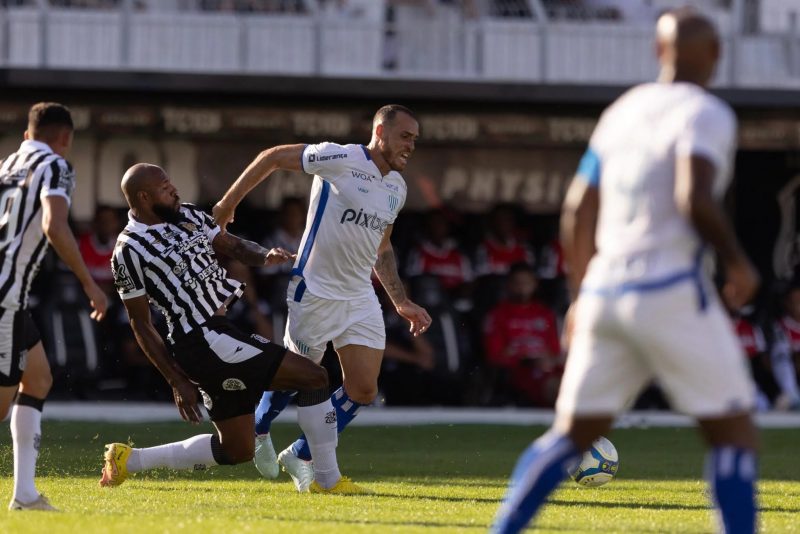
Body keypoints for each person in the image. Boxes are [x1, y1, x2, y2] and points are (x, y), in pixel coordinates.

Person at [493, 9, 761, 534]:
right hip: (670, 290)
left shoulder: (621, 111)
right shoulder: (706, 112)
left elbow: (576, 210)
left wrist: (578, 294)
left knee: (571, 434)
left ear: (658, 52)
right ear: (716, 56)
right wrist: (737, 262)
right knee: (733, 434)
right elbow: (694, 197)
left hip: (604, 292)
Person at [99, 163, 368, 495]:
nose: (174, 190)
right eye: (165, 187)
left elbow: (233, 246)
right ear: (143, 196)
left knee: (237, 449)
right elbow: (140, 323)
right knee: (314, 376)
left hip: (218, 334)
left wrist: (264, 255)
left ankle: (129, 459)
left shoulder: (189, 215)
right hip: (201, 338)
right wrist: (176, 379)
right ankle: (327, 479)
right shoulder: (128, 251)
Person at [212, 104, 432, 491]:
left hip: (359, 296)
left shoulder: (396, 186)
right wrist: (228, 204)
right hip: (315, 292)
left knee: (363, 389)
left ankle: (302, 453)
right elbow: (273, 157)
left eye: (415, 138)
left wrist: (400, 301)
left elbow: (382, 249)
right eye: (405, 136)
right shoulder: (342, 157)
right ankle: (260, 428)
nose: (411, 145)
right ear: (380, 131)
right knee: (296, 378)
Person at [0, 102, 109, 511]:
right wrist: (89, 285)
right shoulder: (56, 166)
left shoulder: (6, 163)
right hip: (5, 298)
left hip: (12, 298)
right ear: (65, 138)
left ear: (28, 133)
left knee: (38, 378)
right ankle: (25, 495)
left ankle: (25, 494)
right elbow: (54, 224)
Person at [482, 262, 562, 407]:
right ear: (509, 285)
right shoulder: (498, 314)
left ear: (535, 284)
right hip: (519, 371)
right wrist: (524, 358)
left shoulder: (545, 313)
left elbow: (554, 349)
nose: (522, 288)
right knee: (558, 388)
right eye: (517, 283)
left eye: (526, 283)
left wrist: (549, 359)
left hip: (547, 368)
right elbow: (495, 355)